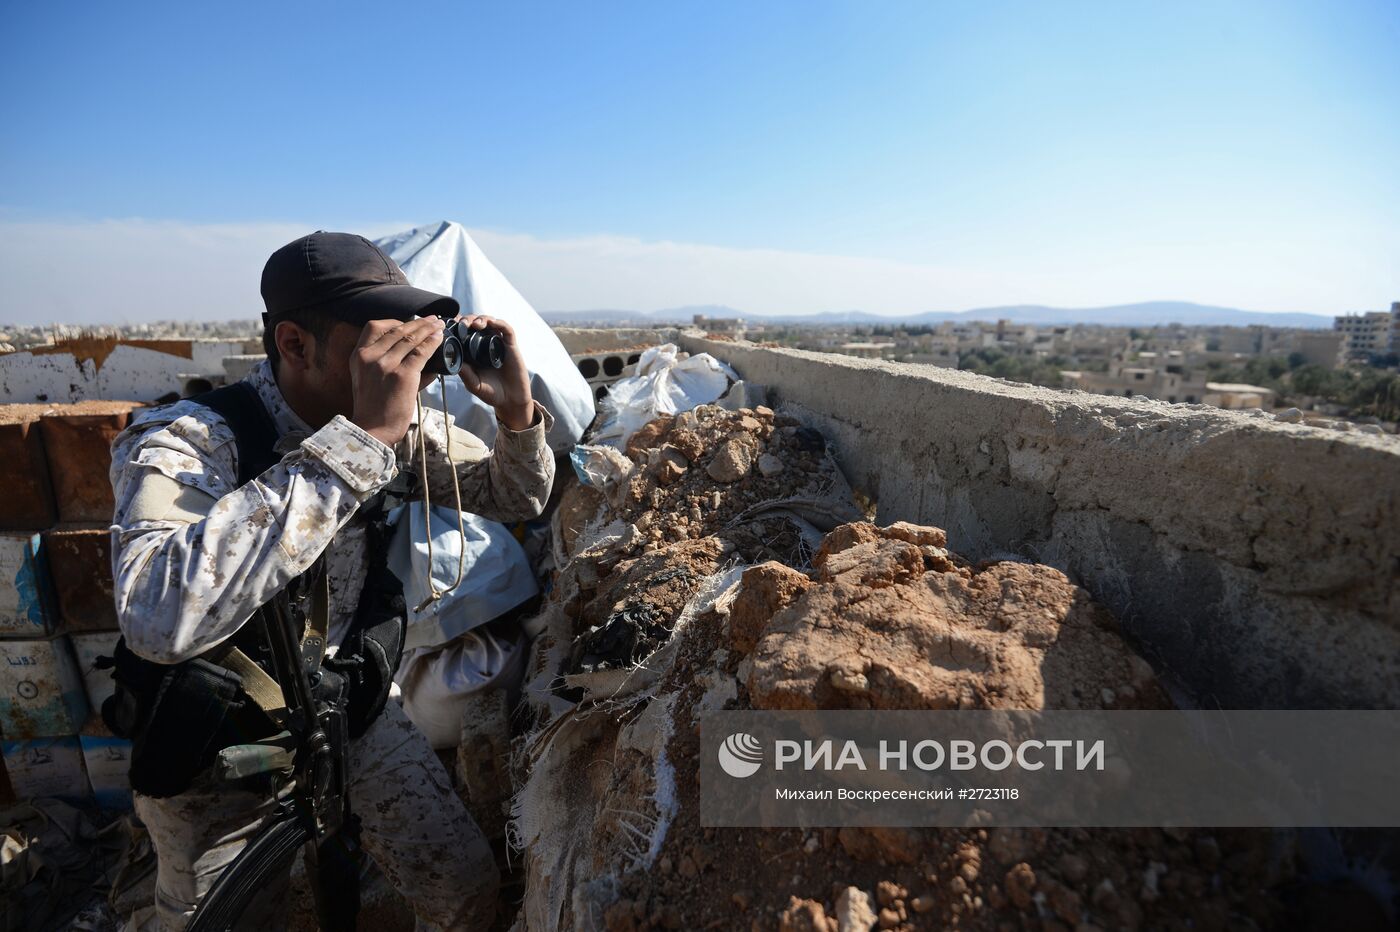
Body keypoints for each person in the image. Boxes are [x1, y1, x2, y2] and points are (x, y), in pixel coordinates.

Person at [105, 231, 555, 930]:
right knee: (217, 921)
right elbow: (157, 618)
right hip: (219, 745)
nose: (404, 360)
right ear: (294, 344)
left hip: (349, 706)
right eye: (380, 340)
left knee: (463, 887)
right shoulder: (188, 441)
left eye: (414, 337)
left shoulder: (391, 431)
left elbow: (513, 497)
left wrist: (515, 414)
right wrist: (356, 446)